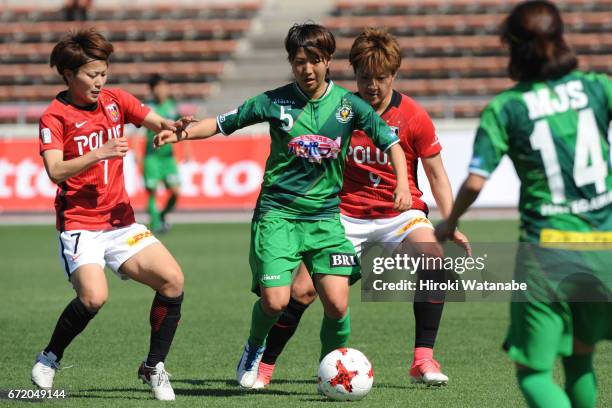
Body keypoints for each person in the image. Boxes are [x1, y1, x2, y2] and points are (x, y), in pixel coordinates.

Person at [154, 23, 412, 389]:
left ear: (328, 62)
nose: (306, 69)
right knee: (275, 303)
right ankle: (254, 347)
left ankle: (335, 375)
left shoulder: (349, 106)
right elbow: (222, 123)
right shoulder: (274, 102)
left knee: (337, 305)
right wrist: (180, 133)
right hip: (279, 216)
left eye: (314, 61)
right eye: (298, 62)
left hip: (324, 219)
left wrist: (402, 182)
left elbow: (393, 144)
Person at [252, 28, 471, 389]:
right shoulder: (339, 110)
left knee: (434, 259)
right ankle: (265, 364)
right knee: (302, 292)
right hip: (343, 216)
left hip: (399, 215)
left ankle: (422, 360)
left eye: (381, 78)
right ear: (353, 74)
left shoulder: (413, 115)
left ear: (394, 75)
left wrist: (451, 220)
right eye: (364, 77)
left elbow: (436, 173)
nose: (372, 85)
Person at [435, 2, 611, 407]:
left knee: (534, 374)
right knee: (581, 358)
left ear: (511, 48)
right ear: (560, 38)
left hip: (548, 252)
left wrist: (450, 221)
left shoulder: (507, 109)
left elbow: (477, 181)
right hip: (605, 246)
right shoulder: (598, 87)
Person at [32, 28, 187, 401]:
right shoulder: (54, 117)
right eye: (92, 75)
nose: (100, 82)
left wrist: (175, 128)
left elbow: (156, 120)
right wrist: (97, 153)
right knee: (93, 298)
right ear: (69, 75)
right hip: (80, 225)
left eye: (104, 73)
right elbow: (55, 170)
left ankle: (153, 366)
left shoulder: (116, 101)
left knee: (173, 281)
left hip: (120, 222)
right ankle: (49, 357)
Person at [140, 74, 186, 233]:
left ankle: (162, 215)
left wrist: (186, 150)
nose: (163, 90)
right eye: (160, 87)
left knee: (175, 192)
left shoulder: (172, 106)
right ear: (153, 90)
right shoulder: (147, 108)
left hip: (168, 158)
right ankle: (156, 224)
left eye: (166, 86)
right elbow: (136, 132)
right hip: (151, 157)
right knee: (152, 192)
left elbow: (182, 129)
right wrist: (137, 155)